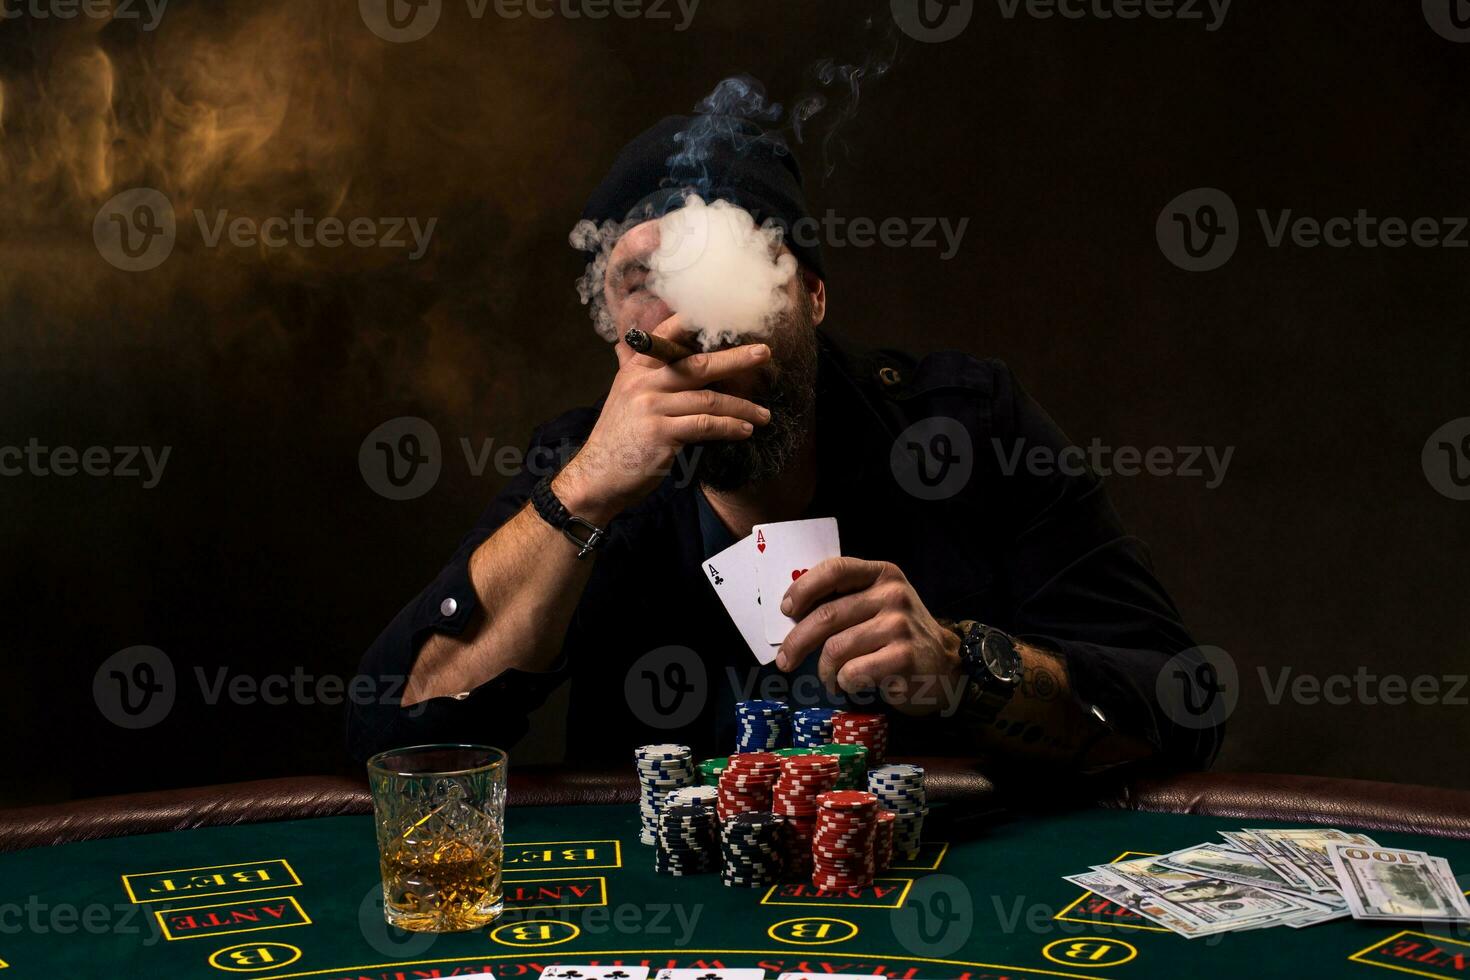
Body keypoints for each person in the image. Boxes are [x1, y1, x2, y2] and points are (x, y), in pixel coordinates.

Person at [346, 112, 1223, 777]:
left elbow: (1184, 702)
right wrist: (582, 497)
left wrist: (966, 668)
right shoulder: (579, 469)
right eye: (639, 281)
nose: (685, 318)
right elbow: (394, 741)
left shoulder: (967, 426)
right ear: (612, 323)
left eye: (717, 265)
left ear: (810, 295)